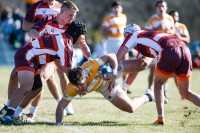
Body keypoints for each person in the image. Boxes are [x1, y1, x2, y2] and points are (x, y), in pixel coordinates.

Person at [0, 0, 83, 120]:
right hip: (32, 54)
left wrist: (79, 80)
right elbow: (29, 29)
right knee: (24, 83)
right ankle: (10, 110)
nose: (71, 19)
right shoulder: (44, 14)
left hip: (40, 55)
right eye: (70, 16)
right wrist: (80, 82)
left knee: (39, 83)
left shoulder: (65, 36)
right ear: (62, 12)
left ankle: (26, 112)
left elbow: (66, 67)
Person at [116, 23, 200, 125]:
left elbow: (118, 57)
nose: (125, 39)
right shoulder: (145, 38)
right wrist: (124, 88)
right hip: (185, 49)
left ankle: (160, 119)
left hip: (170, 50)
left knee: (158, 84)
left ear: (128, 33)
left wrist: (111, 68)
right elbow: (139, 67)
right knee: (186, 93)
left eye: (125, 36)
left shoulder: (133, 35)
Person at [55, 53, 154, 125]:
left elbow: (112, 56)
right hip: (104, 87)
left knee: (143, 65)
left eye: (81, 84)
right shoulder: (72, 87)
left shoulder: (92, 66)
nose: (80, 87)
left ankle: (150, 50)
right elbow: (61, 106)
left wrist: (114, 73)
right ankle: (148, 96)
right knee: (131, 108)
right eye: (78, 86)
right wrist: (58, 124)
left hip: (110, 70)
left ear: (85, 77)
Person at [123, 0, 175, 97]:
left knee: (164, 70)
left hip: (164, 47)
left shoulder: (170, 18)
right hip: (151, 47)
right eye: (159, 6)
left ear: (166, 7)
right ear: (156, 8)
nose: (161, 8)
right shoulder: (152, 19)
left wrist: (168, 31)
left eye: (163, 6)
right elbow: (145, 34)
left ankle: (162, 90)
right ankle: (148, 88)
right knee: (145, 67)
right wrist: (157, 28)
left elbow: (173, 31)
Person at [101, 1, 129, 91]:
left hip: (122, 41)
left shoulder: (124, 17)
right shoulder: (108, 18)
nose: (116, 9)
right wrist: (110, 31)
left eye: (118, 7)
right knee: (112, 63)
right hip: (111, 42)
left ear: (121, 8)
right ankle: (108, 84)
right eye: (115, 8)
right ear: (112, 8)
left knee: (126, 62)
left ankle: (125, 86)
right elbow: (103, 32)